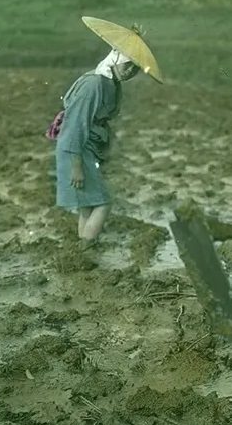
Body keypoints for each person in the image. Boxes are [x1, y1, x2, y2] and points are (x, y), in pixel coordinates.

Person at [53, 17, 162, 254]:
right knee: (102, 202)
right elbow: (75, 127)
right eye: (128, 65)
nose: (131, 71)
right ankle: (86, 249)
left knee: (86, 205)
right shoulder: (93, 85)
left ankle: (81, 250)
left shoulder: (111, 83)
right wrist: (77, 166)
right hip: (76, 148)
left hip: (88, 146)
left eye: (136, 68)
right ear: (115, 57)